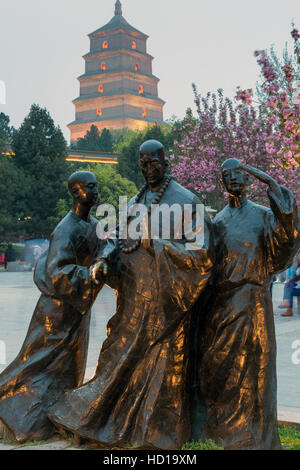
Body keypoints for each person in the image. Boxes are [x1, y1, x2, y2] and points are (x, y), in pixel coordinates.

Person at [48, 140, 214, 450]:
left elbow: (202, 256)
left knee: (163, 370)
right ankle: (97, 422)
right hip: (134, 299)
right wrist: (103, 258)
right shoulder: (136, 201)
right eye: (142, 163)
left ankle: (154, 435)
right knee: (115, 358)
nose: (147, 168)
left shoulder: (187, 201)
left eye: (152, 162)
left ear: (165, 161)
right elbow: (119, 241)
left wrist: (158, 244)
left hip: (169, 304)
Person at [0, 171, 111, 443]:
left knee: (70, 369)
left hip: (77, 312)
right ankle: (15, 413)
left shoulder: (94, 224)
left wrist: (105, 259)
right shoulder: (65, 229)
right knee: (36, 362)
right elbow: (56, 271)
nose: (96, 192)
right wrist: (89, 274)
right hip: (55, 312)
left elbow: (104, 250)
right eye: (89, 188)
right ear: (75, 193)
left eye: (96, 187)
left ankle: (59, 415)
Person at [196, 158, 300, 450]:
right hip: (222, 305)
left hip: (253, 302)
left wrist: (271, 184)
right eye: (226, 175)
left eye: (239, 174)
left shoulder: (264, 216)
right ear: (221, 182)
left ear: (248, 180)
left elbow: (288, 239)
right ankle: (223, 429)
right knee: (222, 367)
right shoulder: (216, 224)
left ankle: (255, 434)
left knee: (255, 368)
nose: (233, 179)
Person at [278, 252, 300, 316]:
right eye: (298, 256)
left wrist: (291, 280)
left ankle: (288, 306)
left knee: (288, 286)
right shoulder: (297, 265)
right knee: (288, 285)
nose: (298, 257)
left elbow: (298, 277)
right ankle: (288, 307)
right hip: (298, 286)